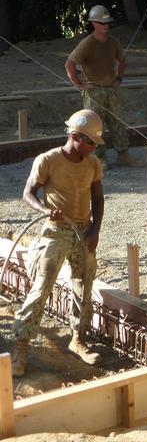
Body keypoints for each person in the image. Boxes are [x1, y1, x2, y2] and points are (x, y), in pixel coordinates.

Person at [10, 110, 106, 377]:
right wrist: (44, 209)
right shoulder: (48, 160)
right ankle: (21, 345)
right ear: (75, 137)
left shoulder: (92, 163)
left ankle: (78, 340)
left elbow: (98, 199)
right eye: (91, 142)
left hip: (83, 231)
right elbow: (28, 192)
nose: (94, 147)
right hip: (56, 231)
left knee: (83, 286)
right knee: (42, 285)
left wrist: (95, 230)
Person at [65, 5, 142, 169]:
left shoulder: (113, 42)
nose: (106, 26)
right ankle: (98, 158)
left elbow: (121, 60)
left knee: (117, 122)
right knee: (94, 125)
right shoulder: (87, 43)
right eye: (102, 23)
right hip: (94, 91)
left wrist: (119, 77)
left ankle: (123, 155)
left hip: (111, 89)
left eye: (107, 23)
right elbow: (69, 64)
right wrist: (79, 84)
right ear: (94, 23)